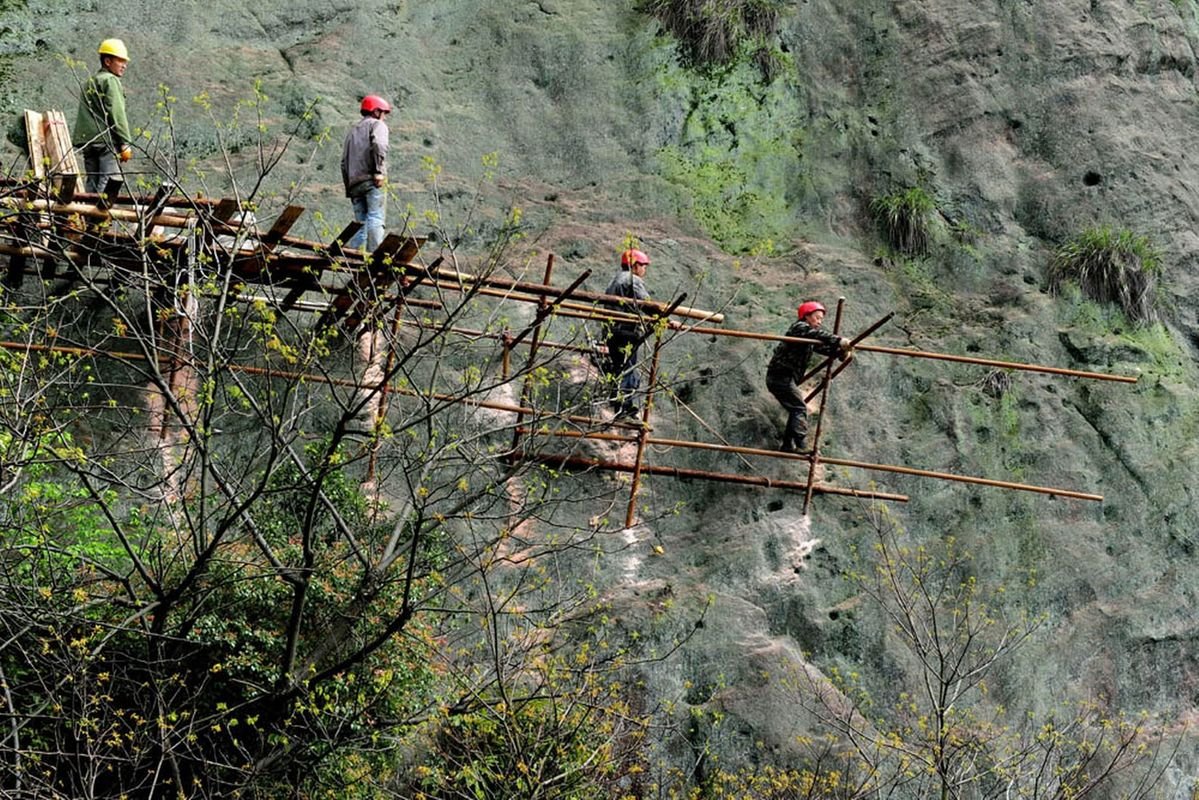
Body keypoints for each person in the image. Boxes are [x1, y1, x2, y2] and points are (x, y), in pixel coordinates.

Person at [766, 301, 851, 453]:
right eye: (817, 318)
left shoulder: (808, 338)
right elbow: (819, 335)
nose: (819, 322)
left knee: (795, 408)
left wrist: (840, 352)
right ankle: (801, 445)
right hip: (780, 377)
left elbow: (824, 348)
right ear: (806, 316)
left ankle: (787, 445)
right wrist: (840, 340)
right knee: (799, 407)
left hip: (784, 378)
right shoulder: (799, 328)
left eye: (821, 319)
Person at [73, 38, 133, 196]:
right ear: (107, 61)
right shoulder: (110, 81)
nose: (124, 65)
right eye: (120, 61)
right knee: (108, 181)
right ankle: (98, 219)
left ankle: (87, 217)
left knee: (92, 183)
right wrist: (125, 142)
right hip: (106, 141)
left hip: (88, 141)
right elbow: (116, 112)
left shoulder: (90, 81)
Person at [602, 248, 651, 419]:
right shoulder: (633, 280)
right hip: (625, 331)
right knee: (627, 367)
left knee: (620, 366)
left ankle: (623, 405)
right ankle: (622, 406)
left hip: (611, 331)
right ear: (635, 265)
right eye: (643, 265)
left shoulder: (614, 280)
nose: (644, 269)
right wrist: (664, 318)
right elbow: (647, 304)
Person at [341, 94, 391, 252]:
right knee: (376, 217)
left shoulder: (352, 132)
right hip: (371, 180)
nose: (384, 117)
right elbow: (379, 145)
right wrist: (378, 171)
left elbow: (343, 162)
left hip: (354, 183)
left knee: (360, 224)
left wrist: (348, 186)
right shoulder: (377, 125)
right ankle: (374, 256)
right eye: (383, 113)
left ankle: (354, 256)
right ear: (376, 111)